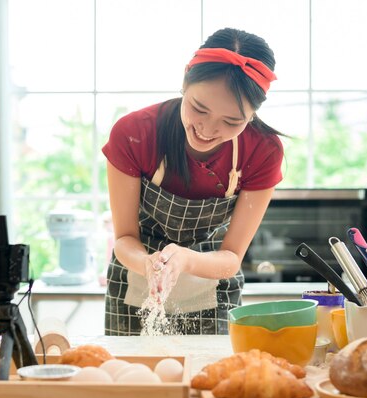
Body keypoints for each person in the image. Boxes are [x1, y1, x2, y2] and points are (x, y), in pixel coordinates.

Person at [102, 28, 284, 336]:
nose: (208, 129)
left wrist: (186, 259)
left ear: (254, 113)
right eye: (199, 108)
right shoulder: (135, 133)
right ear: (185, 80)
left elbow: (231, 258)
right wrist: (149, 265)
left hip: (212, 277)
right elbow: (124, 240)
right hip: (136, 275)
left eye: (232, 122)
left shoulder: (262, 151)